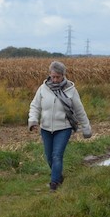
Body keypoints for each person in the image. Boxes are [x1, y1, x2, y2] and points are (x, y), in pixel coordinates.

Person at [28, 61, 92, 191]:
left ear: (63, 75)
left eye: (58, 77)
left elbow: (79, 110)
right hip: (46, 128)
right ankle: (58, 176)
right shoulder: (43, 89)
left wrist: (86, 128)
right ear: (50, 75)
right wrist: (33, 121)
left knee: (57, 155)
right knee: (49, 157)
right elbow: (35, 106)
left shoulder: (71, 90)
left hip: (64, 128)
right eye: (53, 76)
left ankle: (54, 184)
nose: (55, 79)